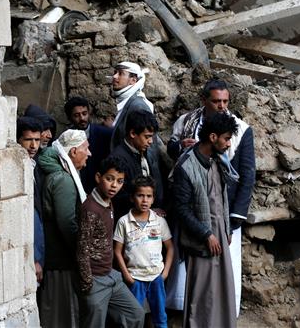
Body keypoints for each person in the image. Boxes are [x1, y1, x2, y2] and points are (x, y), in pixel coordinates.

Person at [166, 79, 255, 315]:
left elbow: (247, 175)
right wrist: (181, 148)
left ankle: (221, 311)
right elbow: (172, 148)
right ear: (204, 100)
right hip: (195, 211)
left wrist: (234, 218)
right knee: (194, 274)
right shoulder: (186, 122)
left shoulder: (241, 130)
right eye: (216, 101)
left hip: (224, 214)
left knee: (224, 270)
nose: (222, 106)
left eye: (226, 101)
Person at [172, 112, 239, 328]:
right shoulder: (186, 166)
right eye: (226, 139)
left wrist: (225, 229)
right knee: (201, 297)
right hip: (201, 240)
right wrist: (206, 234)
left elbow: (221, 199)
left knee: (220, 291)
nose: (228, 144)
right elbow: (181, 209)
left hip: (219, 235)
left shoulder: (218, 160)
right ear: (212, 137)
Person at [76, 156, 145, 328]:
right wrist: (88, 284)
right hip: (95, 280)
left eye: (120, 181)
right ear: (98, 178)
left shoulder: (108, 202)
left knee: (135, 314)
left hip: (111, 276)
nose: (114, 185)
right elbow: (81, 249)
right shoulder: (90, 209)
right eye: (109, 179)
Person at [37, 129, 91, 328]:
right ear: (74, 152)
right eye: (86, 148)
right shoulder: (63, 180)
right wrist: (81, 253)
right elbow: (67, 223)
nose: (90, 153)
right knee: (62, 316)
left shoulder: (63, 175)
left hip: (60, 260)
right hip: (61, 262)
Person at [114, 176, 174, 328]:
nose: (144, 200)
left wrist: (165, 273)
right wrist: (127, 275)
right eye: (140, 195)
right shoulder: (124, 222)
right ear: (132, 197)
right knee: (132, 318)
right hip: (135, 277)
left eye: (148, 196)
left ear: (153, 199)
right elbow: (117, 251)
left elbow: (170, 248)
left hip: (156, 277)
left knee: (160, 317)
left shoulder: (159, 221)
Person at [110, 110, 166, 223]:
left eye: (152, 137)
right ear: (133, 133)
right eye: (147, 137)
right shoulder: (118, 159)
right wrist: (147, 209)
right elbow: (117, 196)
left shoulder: (143, 150)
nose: (150, 141)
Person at [16, 117, 45, 284]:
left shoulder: (35, 166)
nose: (33, 146)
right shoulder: (17, 171)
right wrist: (34, 259)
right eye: (28, 140)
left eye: (37, 140)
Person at [64, 96, 113, 193]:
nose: (82, 118)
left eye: (84, 114)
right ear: (69, 118)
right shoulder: (66, 139)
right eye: (77, 115)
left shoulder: (105, 134)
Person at [110, 61, 154, 150]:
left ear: (133, 80)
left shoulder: (138, 106)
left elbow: (144, 143)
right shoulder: (129, 102)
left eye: (121, 73)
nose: (114, 76)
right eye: (115, 72)